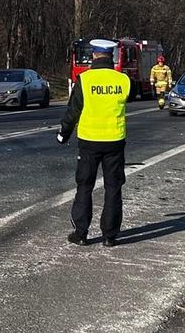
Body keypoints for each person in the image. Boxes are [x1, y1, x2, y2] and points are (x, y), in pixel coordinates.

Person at [57, 39, 130, 248]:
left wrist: (64, 133)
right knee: (113, 188)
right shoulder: (123, 80)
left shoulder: (85, 79)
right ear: (112, 57)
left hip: (89, 141)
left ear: (94, 56)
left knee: (85, 186)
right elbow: (127, 99)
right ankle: (110, 235)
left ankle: (81, 233)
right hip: (115, 141)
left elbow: (73, 110)